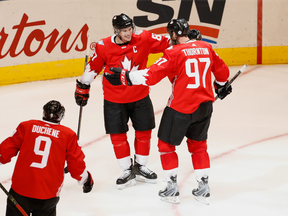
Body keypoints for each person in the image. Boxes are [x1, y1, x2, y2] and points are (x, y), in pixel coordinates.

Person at [104, 19, 232, 204]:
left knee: (166, 146)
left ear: (173, 34)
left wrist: (126, 76)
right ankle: (203, 188)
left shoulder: (173, 52)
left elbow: (151, 75)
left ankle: (171, 188)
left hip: (180, 107)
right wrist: (220, 86)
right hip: (205, 107)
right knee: (198, 146)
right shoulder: (206, 47)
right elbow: (223, 73)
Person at [74, 13, 171, 189]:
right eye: (124, 31)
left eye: (130, 29)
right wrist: (83, 87)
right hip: (114, 100)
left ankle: (141, 166)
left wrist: (183, 37)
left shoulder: (144, 38)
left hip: (140, 96)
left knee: (144, 132)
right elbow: (93, 67)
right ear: (116, 31)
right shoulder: (103, 46)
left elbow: (169, 43)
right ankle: (127, 169)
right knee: (118, 136)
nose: (128, 33)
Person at [0, 100, 94, 216]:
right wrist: (86, 180)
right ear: (61, 116)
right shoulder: (68, 135)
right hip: (47, 195)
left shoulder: (26, 126)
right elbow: (76, 165)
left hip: (20, 192)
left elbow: (5, 150)